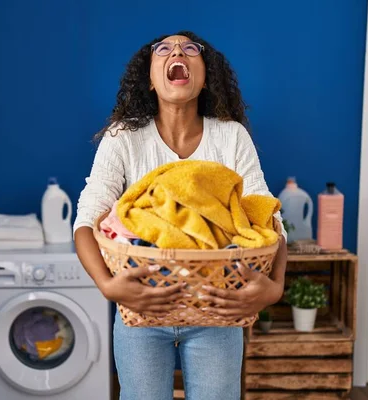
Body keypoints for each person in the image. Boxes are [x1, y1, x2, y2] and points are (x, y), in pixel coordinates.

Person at [73, 31, 288, 400]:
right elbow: (86, 221)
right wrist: (108, 287)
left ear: (206, 76)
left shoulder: (231, 136)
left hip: (218, 307)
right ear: (150, 79)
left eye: (191, 49)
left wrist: (276, 287)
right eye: (163, 49)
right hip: (143, 307)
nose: (177, 52)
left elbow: (265, 214)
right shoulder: (124, 137)